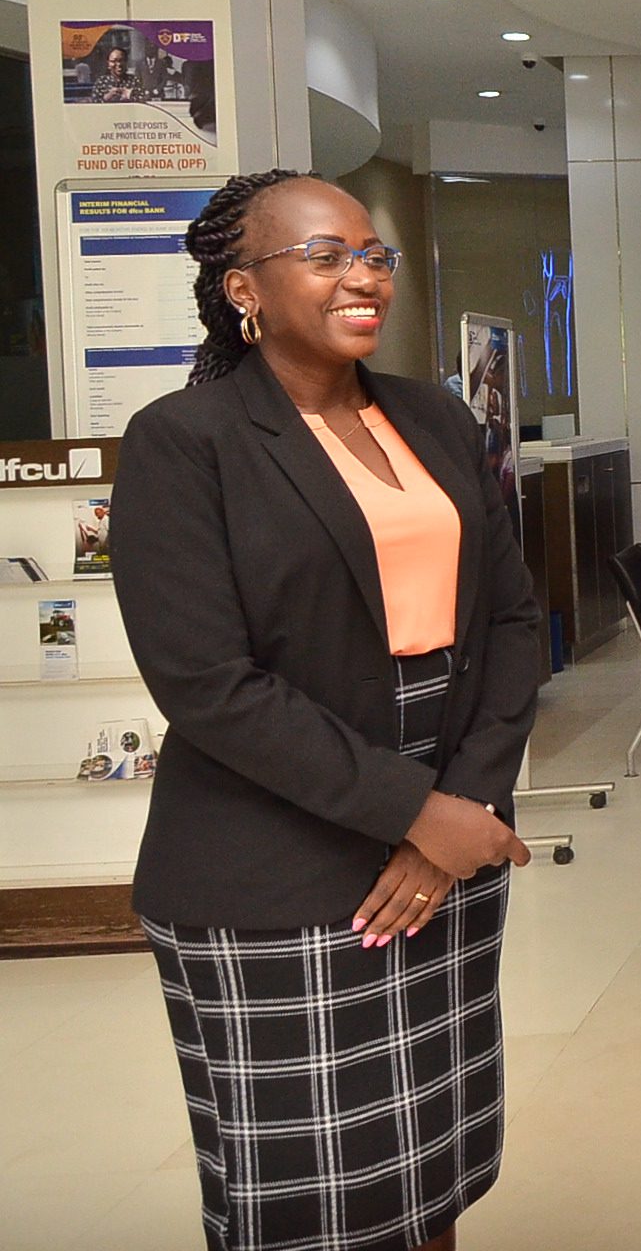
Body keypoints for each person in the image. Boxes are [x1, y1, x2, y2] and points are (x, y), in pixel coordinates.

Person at [113, 170, 541, 1251]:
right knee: (313, 1203)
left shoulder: (435, 416)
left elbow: (511, 624)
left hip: (442, 838)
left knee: (428, 1169)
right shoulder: (186, 439)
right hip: (278, 861)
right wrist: (416, 813)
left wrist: (461, 812)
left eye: (373, 254)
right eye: (326, 256)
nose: (363, 277)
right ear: (243, 287)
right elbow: (210, 683)